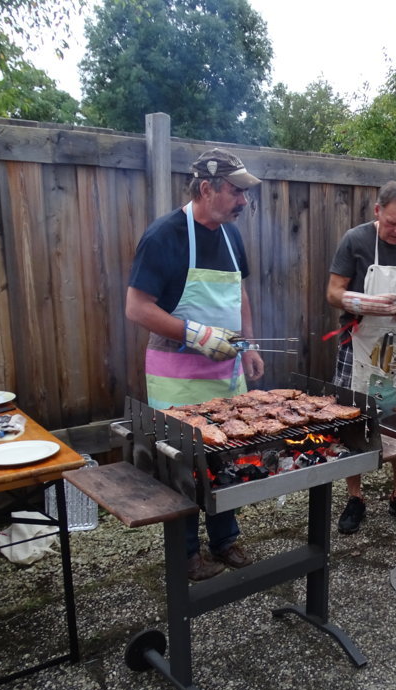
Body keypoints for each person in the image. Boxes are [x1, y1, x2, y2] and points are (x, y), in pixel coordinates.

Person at [126, 148, 263, 581]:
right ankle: (185, 552)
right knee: (181, 463)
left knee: (227, 455)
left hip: (226, 374)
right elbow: (136, 307)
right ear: (206, 188)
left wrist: (249, 344)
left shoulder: (231, 236)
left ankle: (225, 539)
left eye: (244, 193)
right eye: (236, 192)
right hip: (177, 378)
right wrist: (196, 335)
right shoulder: (164, 235)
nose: (243, 201)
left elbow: (239, 294)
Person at [326, 181, 396, 535]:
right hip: (357, 344)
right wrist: (361, 303)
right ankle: (355, 496)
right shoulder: (355, 240)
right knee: (353, 418)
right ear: (377, 211)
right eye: (392, 223)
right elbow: (333, 292)